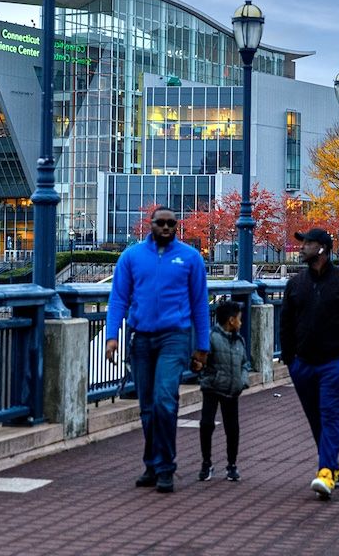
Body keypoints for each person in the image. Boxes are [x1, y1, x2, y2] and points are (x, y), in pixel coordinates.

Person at [105, 206, 211, 494]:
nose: (166, 227)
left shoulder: (190, 258)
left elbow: (200, 304)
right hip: (141, 338)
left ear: (177, 226)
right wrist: (111, 336)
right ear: (149, 225)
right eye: (160, 223)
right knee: (148, 406)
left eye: (171, 223)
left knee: (165, 399)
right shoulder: (132, 257)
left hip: (174, 337)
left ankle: (166, 467)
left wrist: (203, 346)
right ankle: (151, 464)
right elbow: (118, 298)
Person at [280, 228, 339, 500]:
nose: (302, 247)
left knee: (330, 414)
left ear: (323, 249)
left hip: (334, 364)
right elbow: (286, 324)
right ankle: (333, 463)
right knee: (315, 417)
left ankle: (325, 472)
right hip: (302, 364)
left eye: (308, 243)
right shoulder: (296, 284)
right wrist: (290, 359)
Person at [198, 299, 249, 483]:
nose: (241, 322)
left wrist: (243, 380)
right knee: (206, 424)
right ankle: (206, 462)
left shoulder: (239, 340)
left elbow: (244, 363)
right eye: (239, 319)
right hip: (212, 387)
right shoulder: (211, 337)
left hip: (232, 389)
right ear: (231, 320)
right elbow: (201, 360)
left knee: (232, 428)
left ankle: (232, 464)